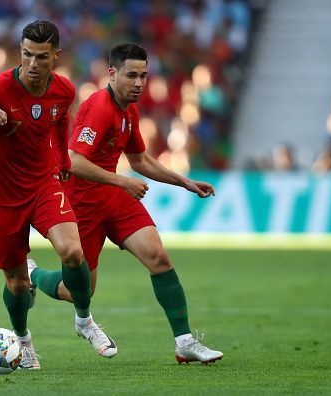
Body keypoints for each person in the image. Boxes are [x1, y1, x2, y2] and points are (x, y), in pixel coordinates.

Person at [28, 43, 223, 364]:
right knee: (78, 291)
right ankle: (33, 275)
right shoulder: (98, 108)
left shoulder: (128, 111)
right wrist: (122, 180)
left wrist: (184, 181)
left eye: (144, 76)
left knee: (158, 256)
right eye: (131, 75)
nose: (139, 83)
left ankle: (184, 341)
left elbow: (140, 160)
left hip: (116, 199)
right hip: (82, 204)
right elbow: (74, 162)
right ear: (112, 74)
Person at [0, 20, 117, 370]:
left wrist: (65, 160)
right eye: (26, 55)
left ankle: (84, 321)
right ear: (19, 53)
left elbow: (59, 123)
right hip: (1, 195)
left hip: (43, 184)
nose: (33, 64)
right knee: (17, 283)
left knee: (72, 250)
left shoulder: (64, 90)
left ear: (56, 55)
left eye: (41, 57)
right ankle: (22, 341)